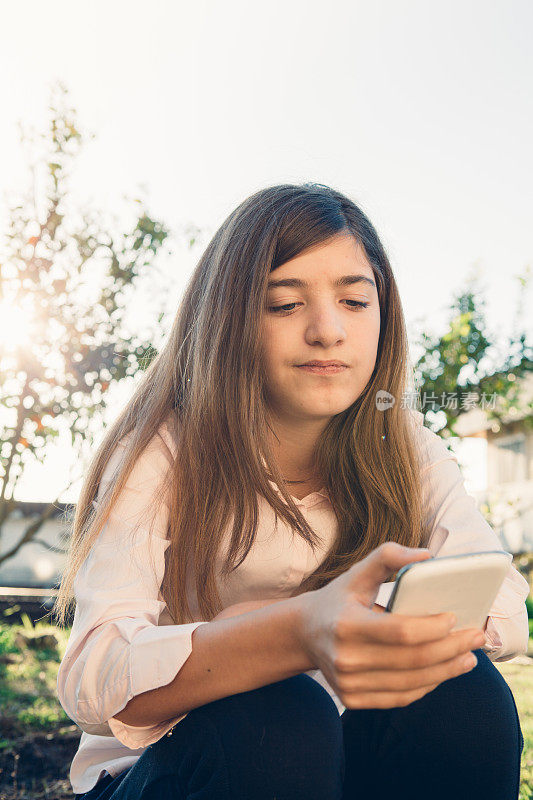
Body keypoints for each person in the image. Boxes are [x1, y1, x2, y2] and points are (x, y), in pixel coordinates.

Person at [53, 183, 529, 800]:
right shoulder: (166, 449)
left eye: (355, 301)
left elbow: (501, 608)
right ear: (227, 322)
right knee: (278, 718)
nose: (328, 331)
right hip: (181, 770)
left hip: (338, 758)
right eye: (284, 305)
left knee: (466, 698)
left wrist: (357, 623)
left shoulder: (403, 441)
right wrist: (296, 632)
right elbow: (95, 680)